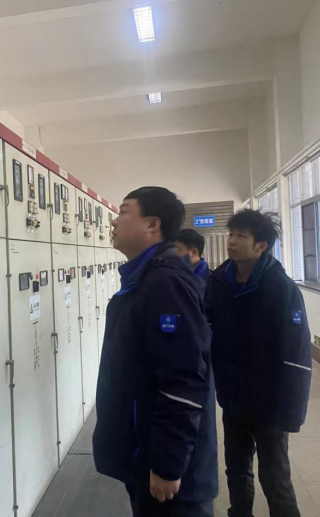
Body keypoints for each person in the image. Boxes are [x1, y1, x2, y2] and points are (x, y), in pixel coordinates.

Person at [93, 187, 218, 517]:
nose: (113, 221)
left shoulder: (164, 283)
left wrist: (168, 465)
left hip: (164, 467)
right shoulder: (147, 279)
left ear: (152, 224)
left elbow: (184, 379)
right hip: (144, 452)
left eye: (123, 212)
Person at [205, 210, 312, 517]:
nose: (232, 241)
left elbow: (297, 352)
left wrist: (292, 412)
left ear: (261, 246)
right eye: (231, 234)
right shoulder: (219, 282)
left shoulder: (280, 287)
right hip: (233, 397)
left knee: (274, 475)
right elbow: (207, 328)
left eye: (241, 236)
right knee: (236, 468)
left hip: (270, 402)